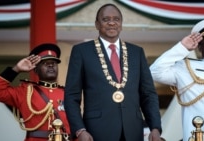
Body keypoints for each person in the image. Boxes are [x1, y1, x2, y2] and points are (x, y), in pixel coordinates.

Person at [64, 3, 163, 141]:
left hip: (132, 130)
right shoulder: (81, 51)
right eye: (106, 19)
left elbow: (148, 94)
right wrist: (80, 130)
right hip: (96, 131)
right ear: (97, 24)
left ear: (121, 24)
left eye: (116, 19)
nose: (111, 23)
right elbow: (71, 96)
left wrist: (155, 127)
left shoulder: (136, 52)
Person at [0, 43, 72, 141]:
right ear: (36, 70)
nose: (51, 65)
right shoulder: (25, 92)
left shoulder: (68, 93)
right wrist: (16, 69)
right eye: (45, 63)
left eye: (54, 63)